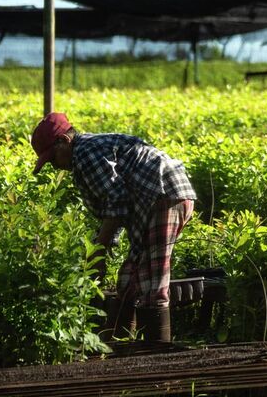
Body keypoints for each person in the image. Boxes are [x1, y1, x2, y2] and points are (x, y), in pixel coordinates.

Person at [31, 112, 198, 342]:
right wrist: (105, 244)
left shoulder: (85, 153)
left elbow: (117, 201)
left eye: (53, 159)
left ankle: (157, 352)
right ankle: (115, 345)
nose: (55, 166)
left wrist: (99, 250)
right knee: (128, 280)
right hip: (153, 200)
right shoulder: (85, 154)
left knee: (152, 280)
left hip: (164, 194)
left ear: (64, 140)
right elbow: (117, 204)